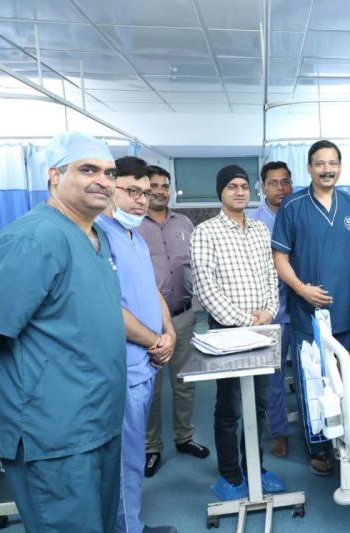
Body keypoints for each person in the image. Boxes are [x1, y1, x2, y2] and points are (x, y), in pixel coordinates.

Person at [0, 132, 126, 532]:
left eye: (109, 173)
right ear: (54, 175)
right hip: (53, 428)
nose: (103, 181)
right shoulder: (32, 239)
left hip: (96, 417)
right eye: (88, 169)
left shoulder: (95, 235)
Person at [271, 139, 350, 475]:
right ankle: (318, 447)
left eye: (332, 163)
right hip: (308, 313)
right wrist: (301, 289)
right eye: (320, 164)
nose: (327, 170)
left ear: (340, 167)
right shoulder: (293, 206)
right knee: (313, 381)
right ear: (309, 168)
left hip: (348, 310)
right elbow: (280, 257)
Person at [191, 164, 286, 500]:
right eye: (232, 186)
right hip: (228, 331)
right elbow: (206, 288)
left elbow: (271, 276)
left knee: (258, 404)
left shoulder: (260, 230)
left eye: (244, 186)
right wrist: (245, 319)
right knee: (230, 407)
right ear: (221, 192)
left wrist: (269, 311)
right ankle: (230, 475)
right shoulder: (205, 232)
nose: (239, 192)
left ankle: (254, 467)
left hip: (263, 329)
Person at [96, 156, 177, 533]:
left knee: (132, 451)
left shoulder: (136, 238)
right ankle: (127, 527)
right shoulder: (98, 237)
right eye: (132, 191)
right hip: (124, 365)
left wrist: (169, 331)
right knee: (124, 456)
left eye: (145, 193)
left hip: (146, 362)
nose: (142, 199)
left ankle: (129, 522)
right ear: (110, 188)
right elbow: (109, 306)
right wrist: (155, 340)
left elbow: (152, 291)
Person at [139, 165, 209, 478]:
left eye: (164, 186)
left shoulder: (184, 223)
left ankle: (184, 437)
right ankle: (151, 447)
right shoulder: (132, 224)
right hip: (145, 324)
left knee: (184, 383)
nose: (159, 191)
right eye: (153, 185)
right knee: (150, 390)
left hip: (182, 315)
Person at [248, 161, 294, 457]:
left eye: (286, 181)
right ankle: (279, 431)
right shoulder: (252, 222)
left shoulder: (300, 213)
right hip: (270, 309)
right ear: (263, 187)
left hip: (301, 305)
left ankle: (317, 432)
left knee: (310, 372)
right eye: (274, 182)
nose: (281, 188)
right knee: (273, 376)